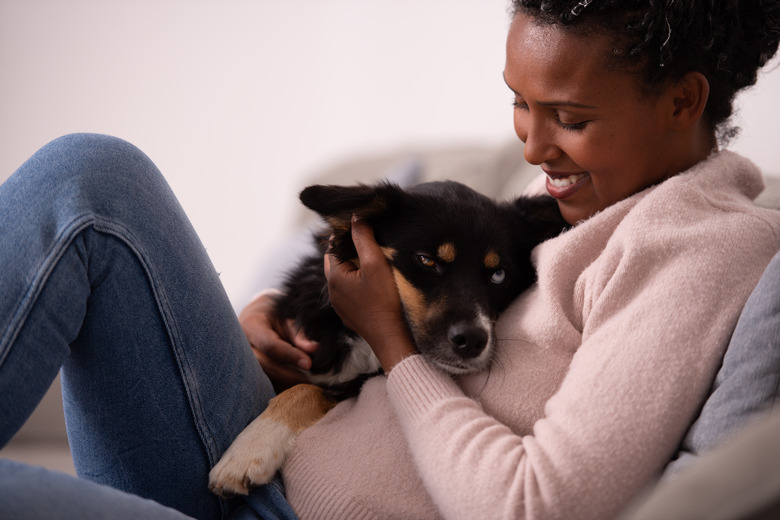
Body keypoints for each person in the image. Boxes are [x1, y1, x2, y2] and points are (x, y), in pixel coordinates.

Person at [0, 2, 778, 520]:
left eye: (569, 119)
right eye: (520, 102)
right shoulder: (591, 207)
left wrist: (396, 343)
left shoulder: (696, 245)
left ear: (683, 101)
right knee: (91, 176)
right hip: (257, 445)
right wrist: (277, 321)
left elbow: (534, 504)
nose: (534, 147)